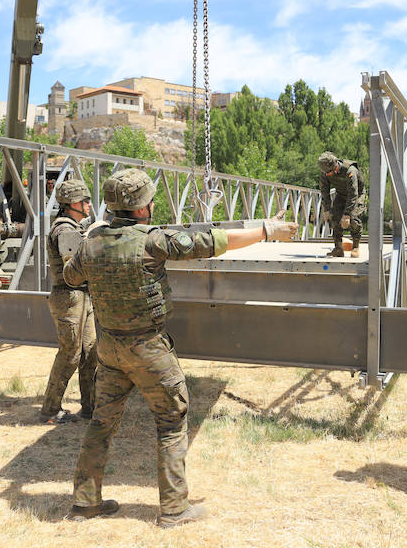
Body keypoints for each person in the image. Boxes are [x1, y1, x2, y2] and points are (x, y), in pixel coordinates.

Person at [63, 168, 298, 527]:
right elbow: (213, 242)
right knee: (171, 422)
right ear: (141, 209)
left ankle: (85, 503)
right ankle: (174, 509)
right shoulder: (152, 241)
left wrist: (93, 235)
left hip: (110, 349)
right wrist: (267, 230)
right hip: (149, 349)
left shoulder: (92, 243)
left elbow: (70, 276)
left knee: (101, 423)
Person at [40, 179, 97, 424]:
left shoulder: (75, 228)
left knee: (91, 353)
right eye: (84, 200)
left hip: (82, 296)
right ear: (71, 203)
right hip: (69, 297)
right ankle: (51, 409)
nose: (88, 205)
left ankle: (91, 408)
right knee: (70, 354)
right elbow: (72, 268)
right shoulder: (64, 229)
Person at [318, 151, 364, 258]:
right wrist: (327, 209)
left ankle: (355, 246)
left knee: (353, 218)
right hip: (341, 194)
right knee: (334, 217)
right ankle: (338, 248)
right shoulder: (325, 171)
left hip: (357, 194)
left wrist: (347, 214)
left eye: (329, 173)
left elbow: (353, 194)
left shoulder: (350, 171)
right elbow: (324, 191)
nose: (327, 175)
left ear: (335, 167)